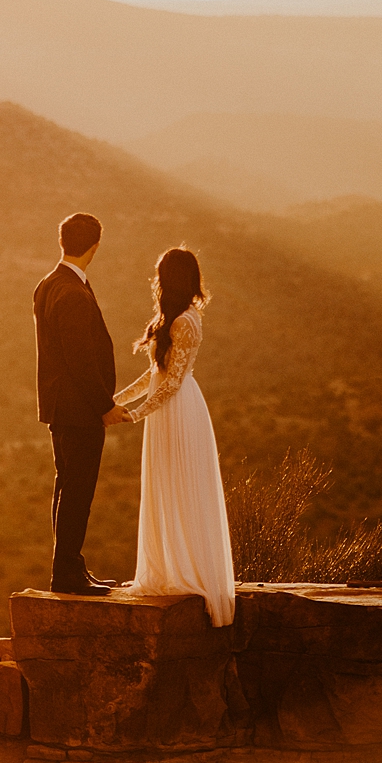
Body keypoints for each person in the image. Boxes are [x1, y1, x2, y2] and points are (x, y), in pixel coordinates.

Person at [115, 246, 235, 627]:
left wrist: (132, 415)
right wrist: (114, 400)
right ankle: (169, 569)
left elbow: (172, 384)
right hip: (167, 410)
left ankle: (187, 572)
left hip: (178, 413)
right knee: (166, 486)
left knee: (181, 486)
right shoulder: (173, 318)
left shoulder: (184, 321)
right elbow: (154, 376)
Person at [33, 212, 130, 595]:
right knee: (78, 492)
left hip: (60, 407)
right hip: (79, 409)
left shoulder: (47, 284)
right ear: (95, 247)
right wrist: (104, 405)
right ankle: (67, 575)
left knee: (66, 487)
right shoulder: (73, 292)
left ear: (63, 242)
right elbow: (80, 359)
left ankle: (71, 565)